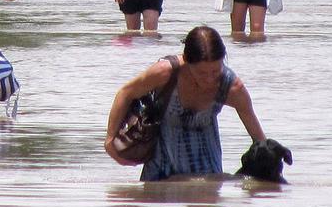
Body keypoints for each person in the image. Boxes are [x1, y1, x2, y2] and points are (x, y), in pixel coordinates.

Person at [104, 26, 268, 180]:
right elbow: (125, 93)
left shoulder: (232, 88)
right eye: (202, 73)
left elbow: (259, 139)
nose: (210, 79)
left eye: (215, 71)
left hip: (206, 165)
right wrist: (110, 139)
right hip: (160, 158)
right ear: (187, 61)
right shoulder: (165, 73)